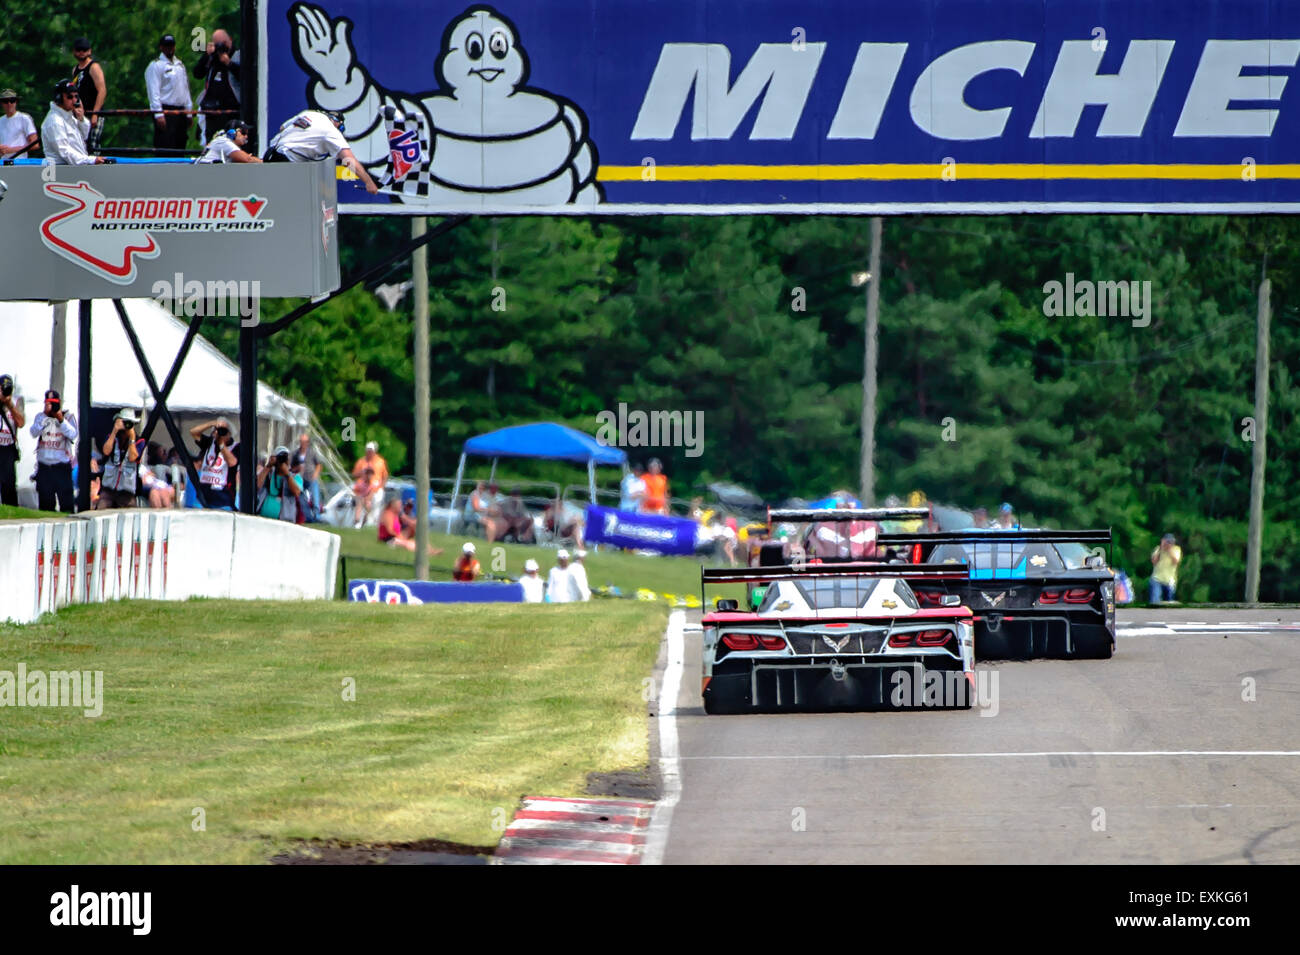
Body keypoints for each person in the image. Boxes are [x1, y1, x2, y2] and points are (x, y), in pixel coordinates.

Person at [263, 108, 380, 193]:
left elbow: (282, 128)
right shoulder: (331, 132)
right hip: (287, 163)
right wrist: (368, 182)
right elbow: (348, 159)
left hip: (271, 154)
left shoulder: (309, 113)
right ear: (339, 125)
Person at [29, 388, 78, 512]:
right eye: (48, 403)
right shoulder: (40, 417)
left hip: (61, 467)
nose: (51, 406)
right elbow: (33, 432)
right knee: (46, 507)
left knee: (67, 505)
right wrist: (45, 416)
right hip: (44, 467)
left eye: (54, 403)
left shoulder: (68, 417)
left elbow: (73, 434)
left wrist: (61, 419)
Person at [146, 34, 192, 156]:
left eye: (171, 46)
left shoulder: (180, 65)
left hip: (180, 111)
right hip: (166, 110)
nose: (169, 49)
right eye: (166, 46)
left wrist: (188, 111)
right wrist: (158, 114)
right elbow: (153, 92)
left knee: (180, 145)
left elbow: (185, 90)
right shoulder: (156, 65)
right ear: (161, 47)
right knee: (165, 146)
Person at [192, 28, 241, 144]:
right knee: (211, 142)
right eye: (218, 44)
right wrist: (206, 55)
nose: (222, 47)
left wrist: (229, 63)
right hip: (212, 110)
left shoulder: (237, 55)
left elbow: (245, 76)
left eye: (224, 43)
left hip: (232, 111)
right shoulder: (212, 58)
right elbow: (197, 74)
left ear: (230, 40)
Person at [41, 80, 105, 165]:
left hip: (73, 167)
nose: (74, 100)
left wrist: (81, 119)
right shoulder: (55, 121)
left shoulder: (68, 117)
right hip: (60, 169)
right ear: (59, 98)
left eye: (76, 96)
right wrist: (90, 160)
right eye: (69, 97)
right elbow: (64, 152)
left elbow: (84, 136)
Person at [189, 418, 238, 510]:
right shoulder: (209, 443)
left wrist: (222, 445)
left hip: (223, 498)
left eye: (224, 431)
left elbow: (232, 463)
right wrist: (212, 423)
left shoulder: (236, 447)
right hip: (203, 495)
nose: (220, 433)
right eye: (217, 430)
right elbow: (193, 432)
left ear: (230, 433)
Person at [96, 409, 140, 509]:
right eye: (124, 422)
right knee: (101, 507)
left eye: (129, 423)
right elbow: (106, 451)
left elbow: (133, 457)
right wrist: (114, 431)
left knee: (130, 515)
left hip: (127, 491)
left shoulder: (139, 441)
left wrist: (132, 438)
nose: (126, 426)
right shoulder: (112, 438)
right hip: (109, 489)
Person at [70, 38, 107, 153]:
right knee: (80, 143)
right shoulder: (75, 70)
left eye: (84, 50)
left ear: (89, 51)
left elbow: (102, 90)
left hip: (93, 112)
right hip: (80, 113)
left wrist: (95, 114)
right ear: (74, 52)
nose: (81, 52)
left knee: (93, 142)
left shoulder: (93, 67)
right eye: (79, 50)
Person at [256, 445, 303, 522]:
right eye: (280, 458)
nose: (282, 461)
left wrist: (287, 474)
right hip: (263, 517)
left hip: (284, 520)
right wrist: (268, 466)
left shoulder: (295, 477)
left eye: (285, 458)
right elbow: (257, 486)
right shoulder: (269, 474)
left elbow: (297, 492)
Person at [0, 373, 25, 505]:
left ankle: (10, 506)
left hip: (8, 448)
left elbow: (21, 422)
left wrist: (9, 405)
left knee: (8, 483)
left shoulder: (16, 401)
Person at [351, 441, 388, 527]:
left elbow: (384, 476)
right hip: (363, 486)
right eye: (368, 450)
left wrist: (381, 486)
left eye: (371, 450)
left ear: (375, 451)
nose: (369, 452)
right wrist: (362, 472)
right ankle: (359, 521)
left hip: (376, 486)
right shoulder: (361, 461)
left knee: (376, 499)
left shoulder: (380, 461)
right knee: (360, 502)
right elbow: (354, 474)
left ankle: (373, 522)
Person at [195, 121, 261, 163]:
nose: (246, 136)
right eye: (243, 133)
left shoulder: (223, 140)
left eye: (247, 134)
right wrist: (262, 161)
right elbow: (247, 159)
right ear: (232, 133)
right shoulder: (223, 141)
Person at [0, 89, 39, 158]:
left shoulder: (24, 118)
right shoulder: (1, 120)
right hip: (3, 164)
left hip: (20, 162)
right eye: (5, 101)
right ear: (1, 103)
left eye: (12, 100)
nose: (9, 104)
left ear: (16, 102)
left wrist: (12, 150)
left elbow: (35, 144)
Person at [1149, 533, 1182, 604]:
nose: (1169, 543)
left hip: (1170, 581)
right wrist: (1161, 549)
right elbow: (1154, 561)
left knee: (1169, 603)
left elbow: (1175, 561)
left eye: (1171, 542)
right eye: (1167, 541)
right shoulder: (1157, 549)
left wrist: (1169, 550)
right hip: (1157, 579)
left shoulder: (1176, 549)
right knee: (1155, 602)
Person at [292, 433, 322, 507]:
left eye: (305, 442)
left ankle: (316, 516)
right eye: (301, 442)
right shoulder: (295, 453)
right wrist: (297, 468)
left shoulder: (312, 452)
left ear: (308, 442)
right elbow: (291, 468)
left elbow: (319, 464)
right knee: (301, 499)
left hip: (311, 478)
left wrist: (315, 474)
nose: (303, 444)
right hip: (300, 479)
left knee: (315, 500)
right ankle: (306, 516)